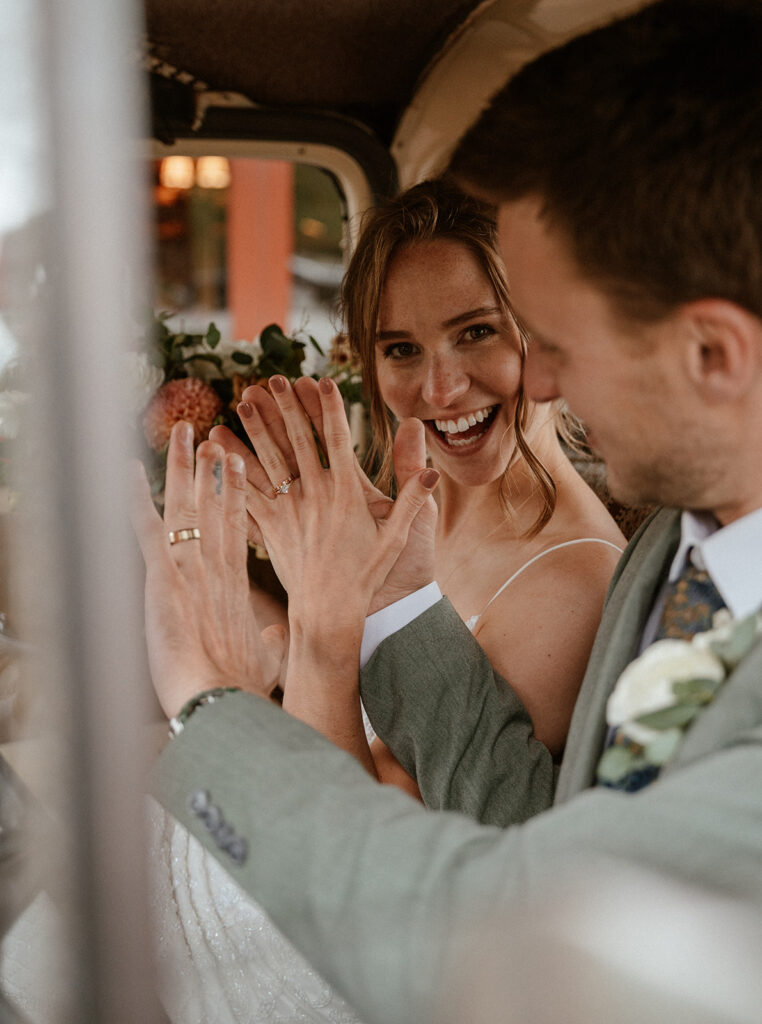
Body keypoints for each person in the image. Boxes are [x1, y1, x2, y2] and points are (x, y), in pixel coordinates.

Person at [140, 2, 762, 1022]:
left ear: (713, 355)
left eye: (549, 337)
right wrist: (386, 598)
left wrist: (211, 700)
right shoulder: (673, 548)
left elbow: (506, 925)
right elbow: (531, 824)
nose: (541, 381)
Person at [146, 183, 622, 1022]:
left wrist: (320, 629)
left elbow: (358, 859)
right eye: (401, 349)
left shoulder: (569, 588)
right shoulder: (421, 505)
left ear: (546, 337)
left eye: (476, 332)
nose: (441, 388)